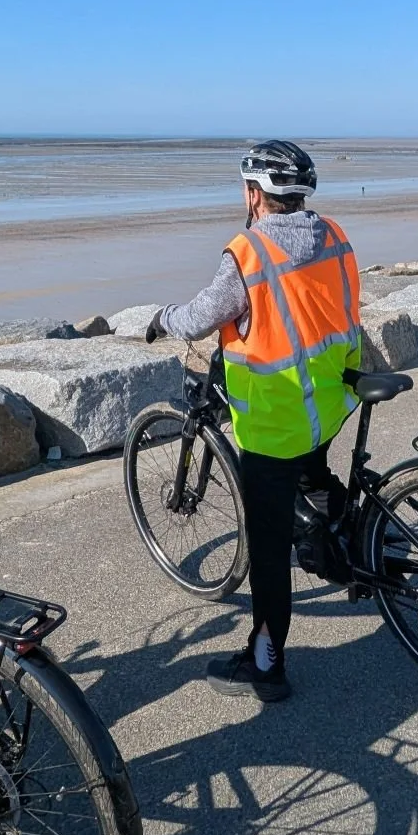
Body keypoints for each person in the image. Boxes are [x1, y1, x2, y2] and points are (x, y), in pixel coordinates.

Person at [146, 140, 362, 702]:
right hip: (330, 401)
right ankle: (346, 544)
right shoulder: (333, 235)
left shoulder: (248, 251)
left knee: (267, 549)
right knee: (315, 479)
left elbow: (199, 318)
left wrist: (159, 318)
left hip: (276, 422)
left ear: (253, 194)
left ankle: (266, 663)